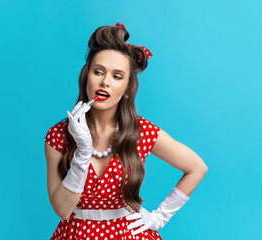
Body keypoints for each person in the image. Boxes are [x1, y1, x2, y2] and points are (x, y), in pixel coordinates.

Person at [44, 22, 208, 240]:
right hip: (75, 234)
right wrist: (83, 151)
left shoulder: (143, 132)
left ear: (128, 88)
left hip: (128, 234)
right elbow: (62, 210)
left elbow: (197, 167)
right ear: (86, 77)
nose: (105, 82)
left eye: (117, 76)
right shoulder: (58, 135)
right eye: (98, 72)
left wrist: (159, 218)